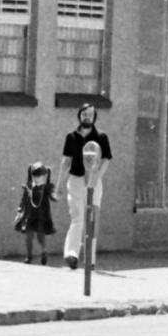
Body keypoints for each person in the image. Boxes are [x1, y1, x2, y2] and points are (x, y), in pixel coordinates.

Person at [56, 104, 112, 270]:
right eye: (84, 114)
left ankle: (90, 259)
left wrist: (96, 177)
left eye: (90, 114)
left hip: (94, 183)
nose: (87, 117)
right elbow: (66, 161)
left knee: (92, 219)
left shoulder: (101, 137)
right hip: (75, 181)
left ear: (94, 117)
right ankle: (72, 254)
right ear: (79, 116)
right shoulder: (71, 137)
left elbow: (106, 160)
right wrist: (59, 184)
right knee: (77, 216)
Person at [13, 161, 57, 264]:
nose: (37, 179)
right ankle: (29, 256)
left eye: (40, 176)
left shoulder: (46, 188)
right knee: (28, 237)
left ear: (44, 177)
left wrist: (55, 195)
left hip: (41, 216)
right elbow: (24, 199)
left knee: (40, 236)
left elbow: (52, 197)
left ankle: (44, 251)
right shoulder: (29, 186)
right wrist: (20, 209)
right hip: (29, 215)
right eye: (35, 176)